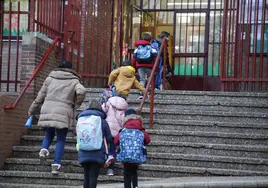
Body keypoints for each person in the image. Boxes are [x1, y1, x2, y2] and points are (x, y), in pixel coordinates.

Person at [28, 60, 86, 175]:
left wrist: (31, 110)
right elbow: (82, 91)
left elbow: (39, 97)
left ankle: (44, 150)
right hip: (63, 111)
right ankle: (56, 165)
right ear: (71, 69)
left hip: (47, 109)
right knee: (60, 139)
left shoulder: (50, 79)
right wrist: (77, 103)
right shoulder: (74, 81)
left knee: (49, 133)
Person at [77, 100, 113, 188]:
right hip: (97, 152)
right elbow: (109, 138)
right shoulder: (102, 120)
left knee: (86, 175)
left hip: (83, 150)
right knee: (93, 176)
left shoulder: (81, 118)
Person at [114, 109, 151, 188]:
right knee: (134, 171)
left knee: (126, 173)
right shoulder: (140, 128)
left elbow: (116, 141)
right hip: (137, 155)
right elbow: (147, 140)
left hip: (125, 155)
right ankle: (135, 186)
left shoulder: (124, 129)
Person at [102, 95, 128, 176]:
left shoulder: (109, 101)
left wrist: (103, 103)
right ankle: (110, 170)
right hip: (117, 131)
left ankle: (105, 159)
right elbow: (124, 119)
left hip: (107, 128)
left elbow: (104, 111)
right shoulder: (124, 105)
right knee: (113, 149)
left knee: (104, 146)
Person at [132, 33, 157, 99]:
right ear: (150, 40)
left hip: (140, 66)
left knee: (142, 79)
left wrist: (134, 66)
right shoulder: (152, 48)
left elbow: (134, 58)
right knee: (150, 79)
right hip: (150, 66)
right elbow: (155, 58)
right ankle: (149, 92)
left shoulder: (137, 48)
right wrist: (155, 67)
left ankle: (142, 92)